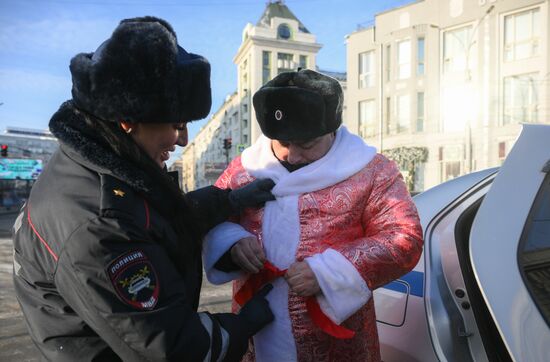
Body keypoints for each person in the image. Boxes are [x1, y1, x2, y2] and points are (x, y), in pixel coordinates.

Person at [12, 16, 275, 362]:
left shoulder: (100, 165)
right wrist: (244, 325)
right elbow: (174, 348)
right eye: (177, 124)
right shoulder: (97, 223)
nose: (182, 140)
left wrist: (228, 201)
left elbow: (153, 220)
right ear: (127, 119)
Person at [203, 69, 424, 361]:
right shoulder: (245, 168)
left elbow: (403, 236)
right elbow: (215, 220)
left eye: (306, 145)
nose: (292, 156)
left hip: (336, 341)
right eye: (282, 143)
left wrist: (328, 272)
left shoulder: (372, 170)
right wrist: (233, 242)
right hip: (256, 331)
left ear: (331, 131)